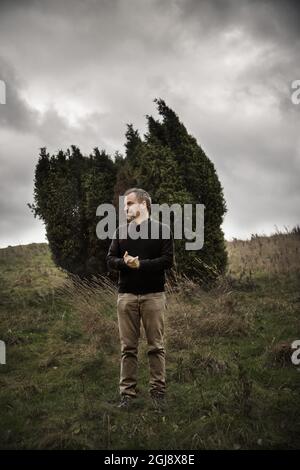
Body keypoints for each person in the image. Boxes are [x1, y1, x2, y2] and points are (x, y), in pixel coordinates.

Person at [106, 188, 174, 410]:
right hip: (126, 296)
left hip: (153, 296)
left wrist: (140, 264)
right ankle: (127, 395)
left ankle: (158, 393)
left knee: (156, 346)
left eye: (129, 203)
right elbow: (110, 259)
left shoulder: (162, 230)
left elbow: (167, 261)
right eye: (125, 204)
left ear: (144, 204)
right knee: (128, 348)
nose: (125, 208)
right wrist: (124, 263)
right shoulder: (121, 231)